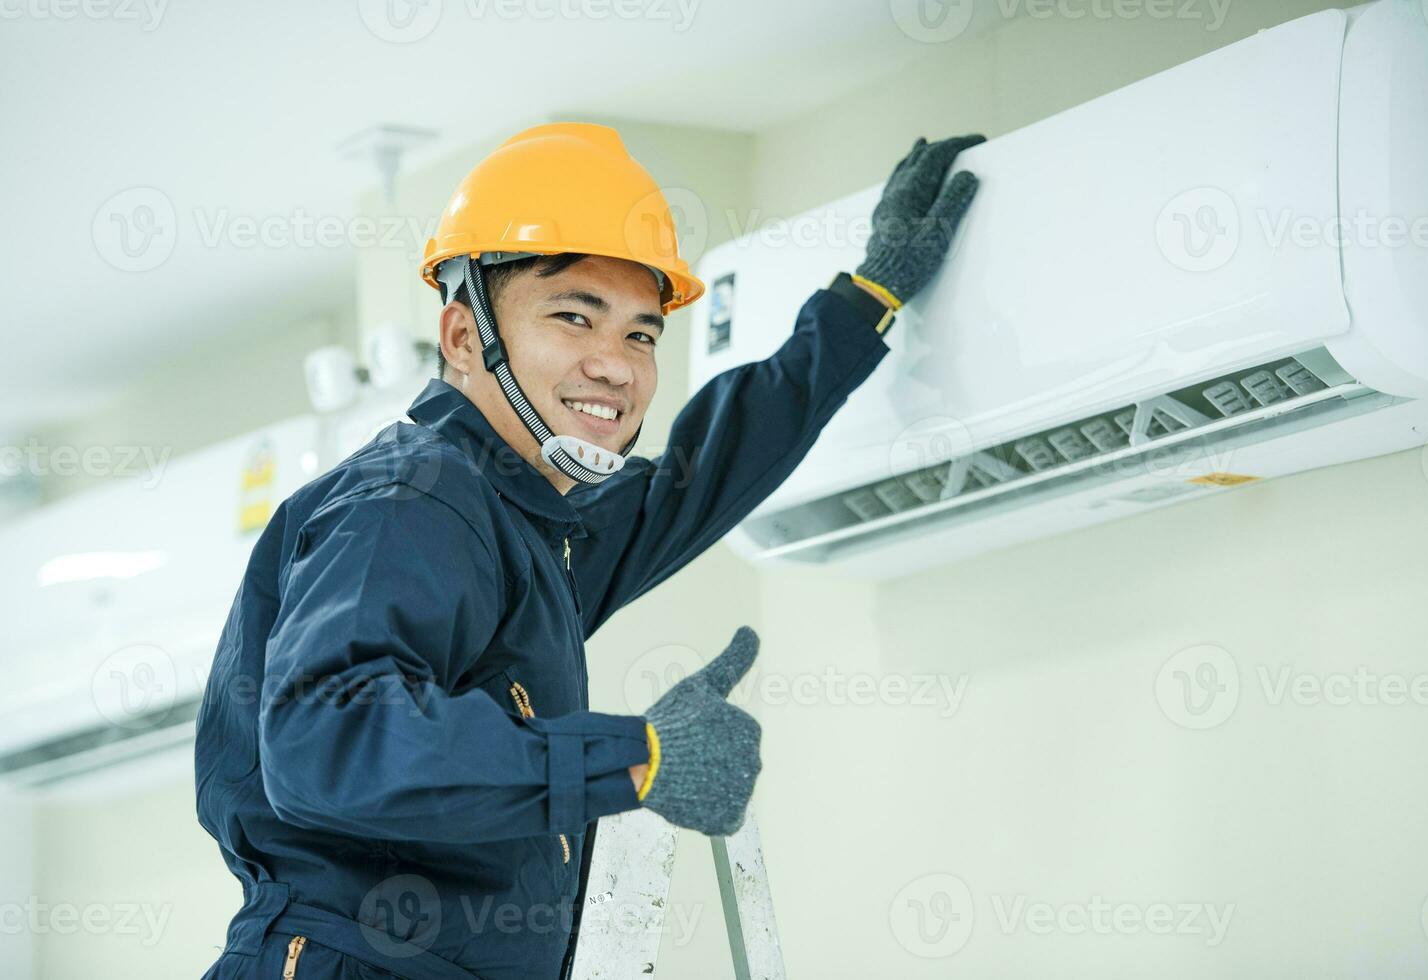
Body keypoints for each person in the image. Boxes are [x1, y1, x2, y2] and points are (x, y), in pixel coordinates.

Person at [194, 121, 983, 980]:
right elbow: (331, 741)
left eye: (641, 335)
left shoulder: (527, 526)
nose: (616, 366)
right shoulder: (416, 498)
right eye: (575, 317)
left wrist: (865, 299)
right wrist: (636, 757)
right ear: (464, 339)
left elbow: (700, 474)